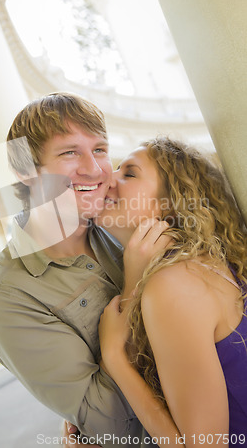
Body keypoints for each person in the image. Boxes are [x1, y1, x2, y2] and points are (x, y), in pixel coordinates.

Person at [0, 93, 171, 447]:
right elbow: (113, 426)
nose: (94, 169)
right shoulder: (7, 300)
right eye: (69, 152)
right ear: (24, 171)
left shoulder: (122, 222)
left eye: (99, 149)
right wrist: (133, 288)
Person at [94, 137, 247, 447]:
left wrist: (114, 358)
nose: (107, 178)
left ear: (170, 203)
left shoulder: (175, 283)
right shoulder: (208, 265)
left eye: (129, 173)